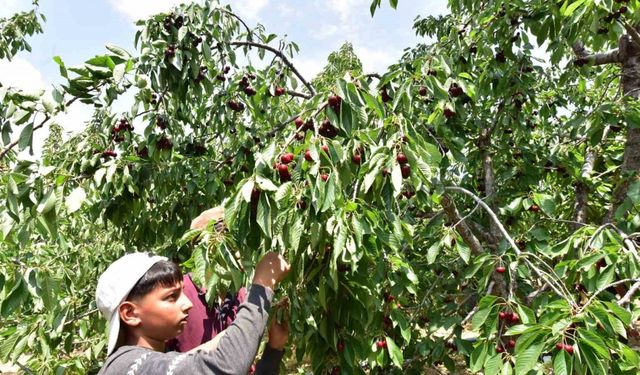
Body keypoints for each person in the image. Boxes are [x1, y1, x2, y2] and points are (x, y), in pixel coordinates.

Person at [95, 247, 291, 374]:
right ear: (130, 313)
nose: (187, 303)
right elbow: (226, 366)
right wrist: (263, 284)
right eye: (171, 297)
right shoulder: (129, 367)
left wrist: (274, 349)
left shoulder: (155, 363)